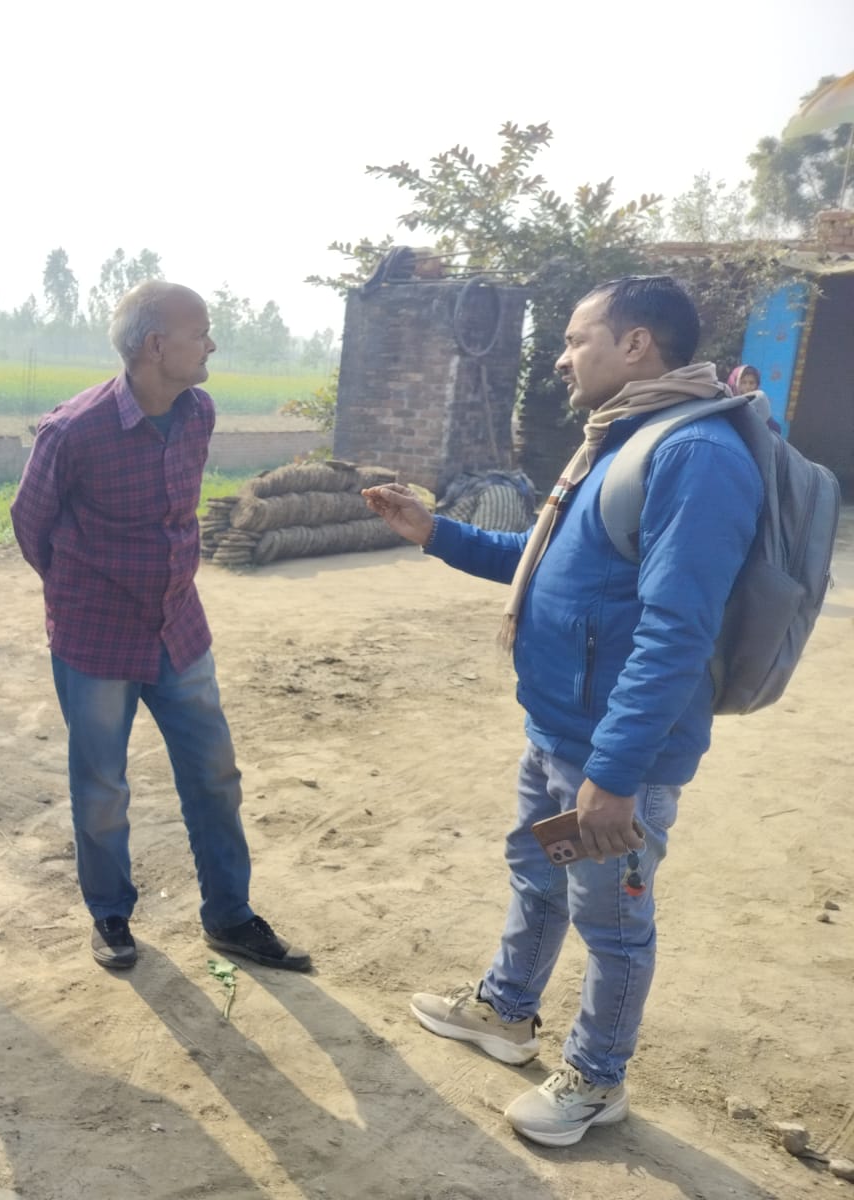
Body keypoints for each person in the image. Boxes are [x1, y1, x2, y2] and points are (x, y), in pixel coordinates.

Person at [364, 276, 762, 1148]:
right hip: (559, 732)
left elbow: (677, 632)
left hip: (616, 759)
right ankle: (507, 1011)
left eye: (577, 339)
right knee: (537, 876)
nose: (560, 357)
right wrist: (436, 532)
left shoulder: (694, 455)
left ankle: (597, 1077)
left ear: (636, 344)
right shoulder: (619, 439)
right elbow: (542, 560)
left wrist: (614, 777)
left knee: (613, 924)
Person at [10, 281, 310, 974]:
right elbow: (31, 523)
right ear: (155, 346)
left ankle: (229, 916)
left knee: (214, 775)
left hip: (179, 629)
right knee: (102, 786)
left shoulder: (198, 412)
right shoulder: (73, 431)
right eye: (199, 333)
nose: (211, 344)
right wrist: (80, 593)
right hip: (97, 639)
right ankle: (110, 914)